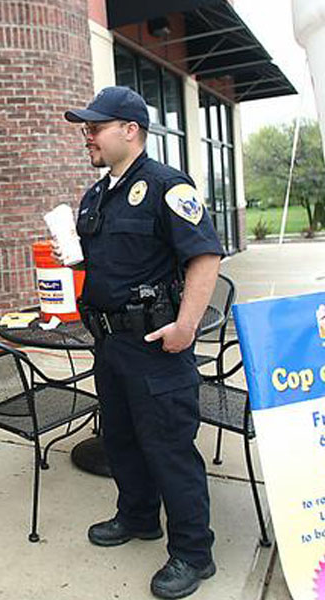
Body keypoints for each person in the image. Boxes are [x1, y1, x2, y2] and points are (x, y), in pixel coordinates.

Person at [55, 86, 224, 600]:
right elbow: (110, 260)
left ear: (130, 130)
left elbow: (205, 257)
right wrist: (74, 258)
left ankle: (194, 553)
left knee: (169, 448)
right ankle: (137, 517)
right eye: (86, 128)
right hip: (109, 344)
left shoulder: (168, 187)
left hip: (155, 345)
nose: (87, 136)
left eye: (95, 127)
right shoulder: (95, 194)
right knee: (122, 439)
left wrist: (186, 327)